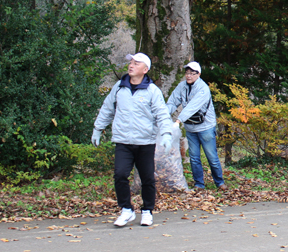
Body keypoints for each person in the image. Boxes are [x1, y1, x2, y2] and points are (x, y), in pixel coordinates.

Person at [92, 53, 174, 227]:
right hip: (123, 141)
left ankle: (147, 211)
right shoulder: (119, 87)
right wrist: (98, 129)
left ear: (145, 69)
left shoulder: (152, 91)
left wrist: (166, 134)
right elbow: (107, 108)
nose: (131, 65)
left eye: (136, 63)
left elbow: (162, 114)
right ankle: (126, 210)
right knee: (120, 175)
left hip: (145, 142)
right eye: (130, 62)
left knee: (147, 178)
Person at [166, 61, 226, 191]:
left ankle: (219, 182)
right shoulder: (182, 87)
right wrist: (162, 115)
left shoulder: (203, 88)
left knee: (212, 156)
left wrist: (178, 121)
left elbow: (192, 107)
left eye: (192, 73)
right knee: (194, 157)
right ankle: (199, 184)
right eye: (187, 73)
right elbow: (172, 102)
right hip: (190, 128)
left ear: (198, 74)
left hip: (206, 127)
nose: (188, 76)